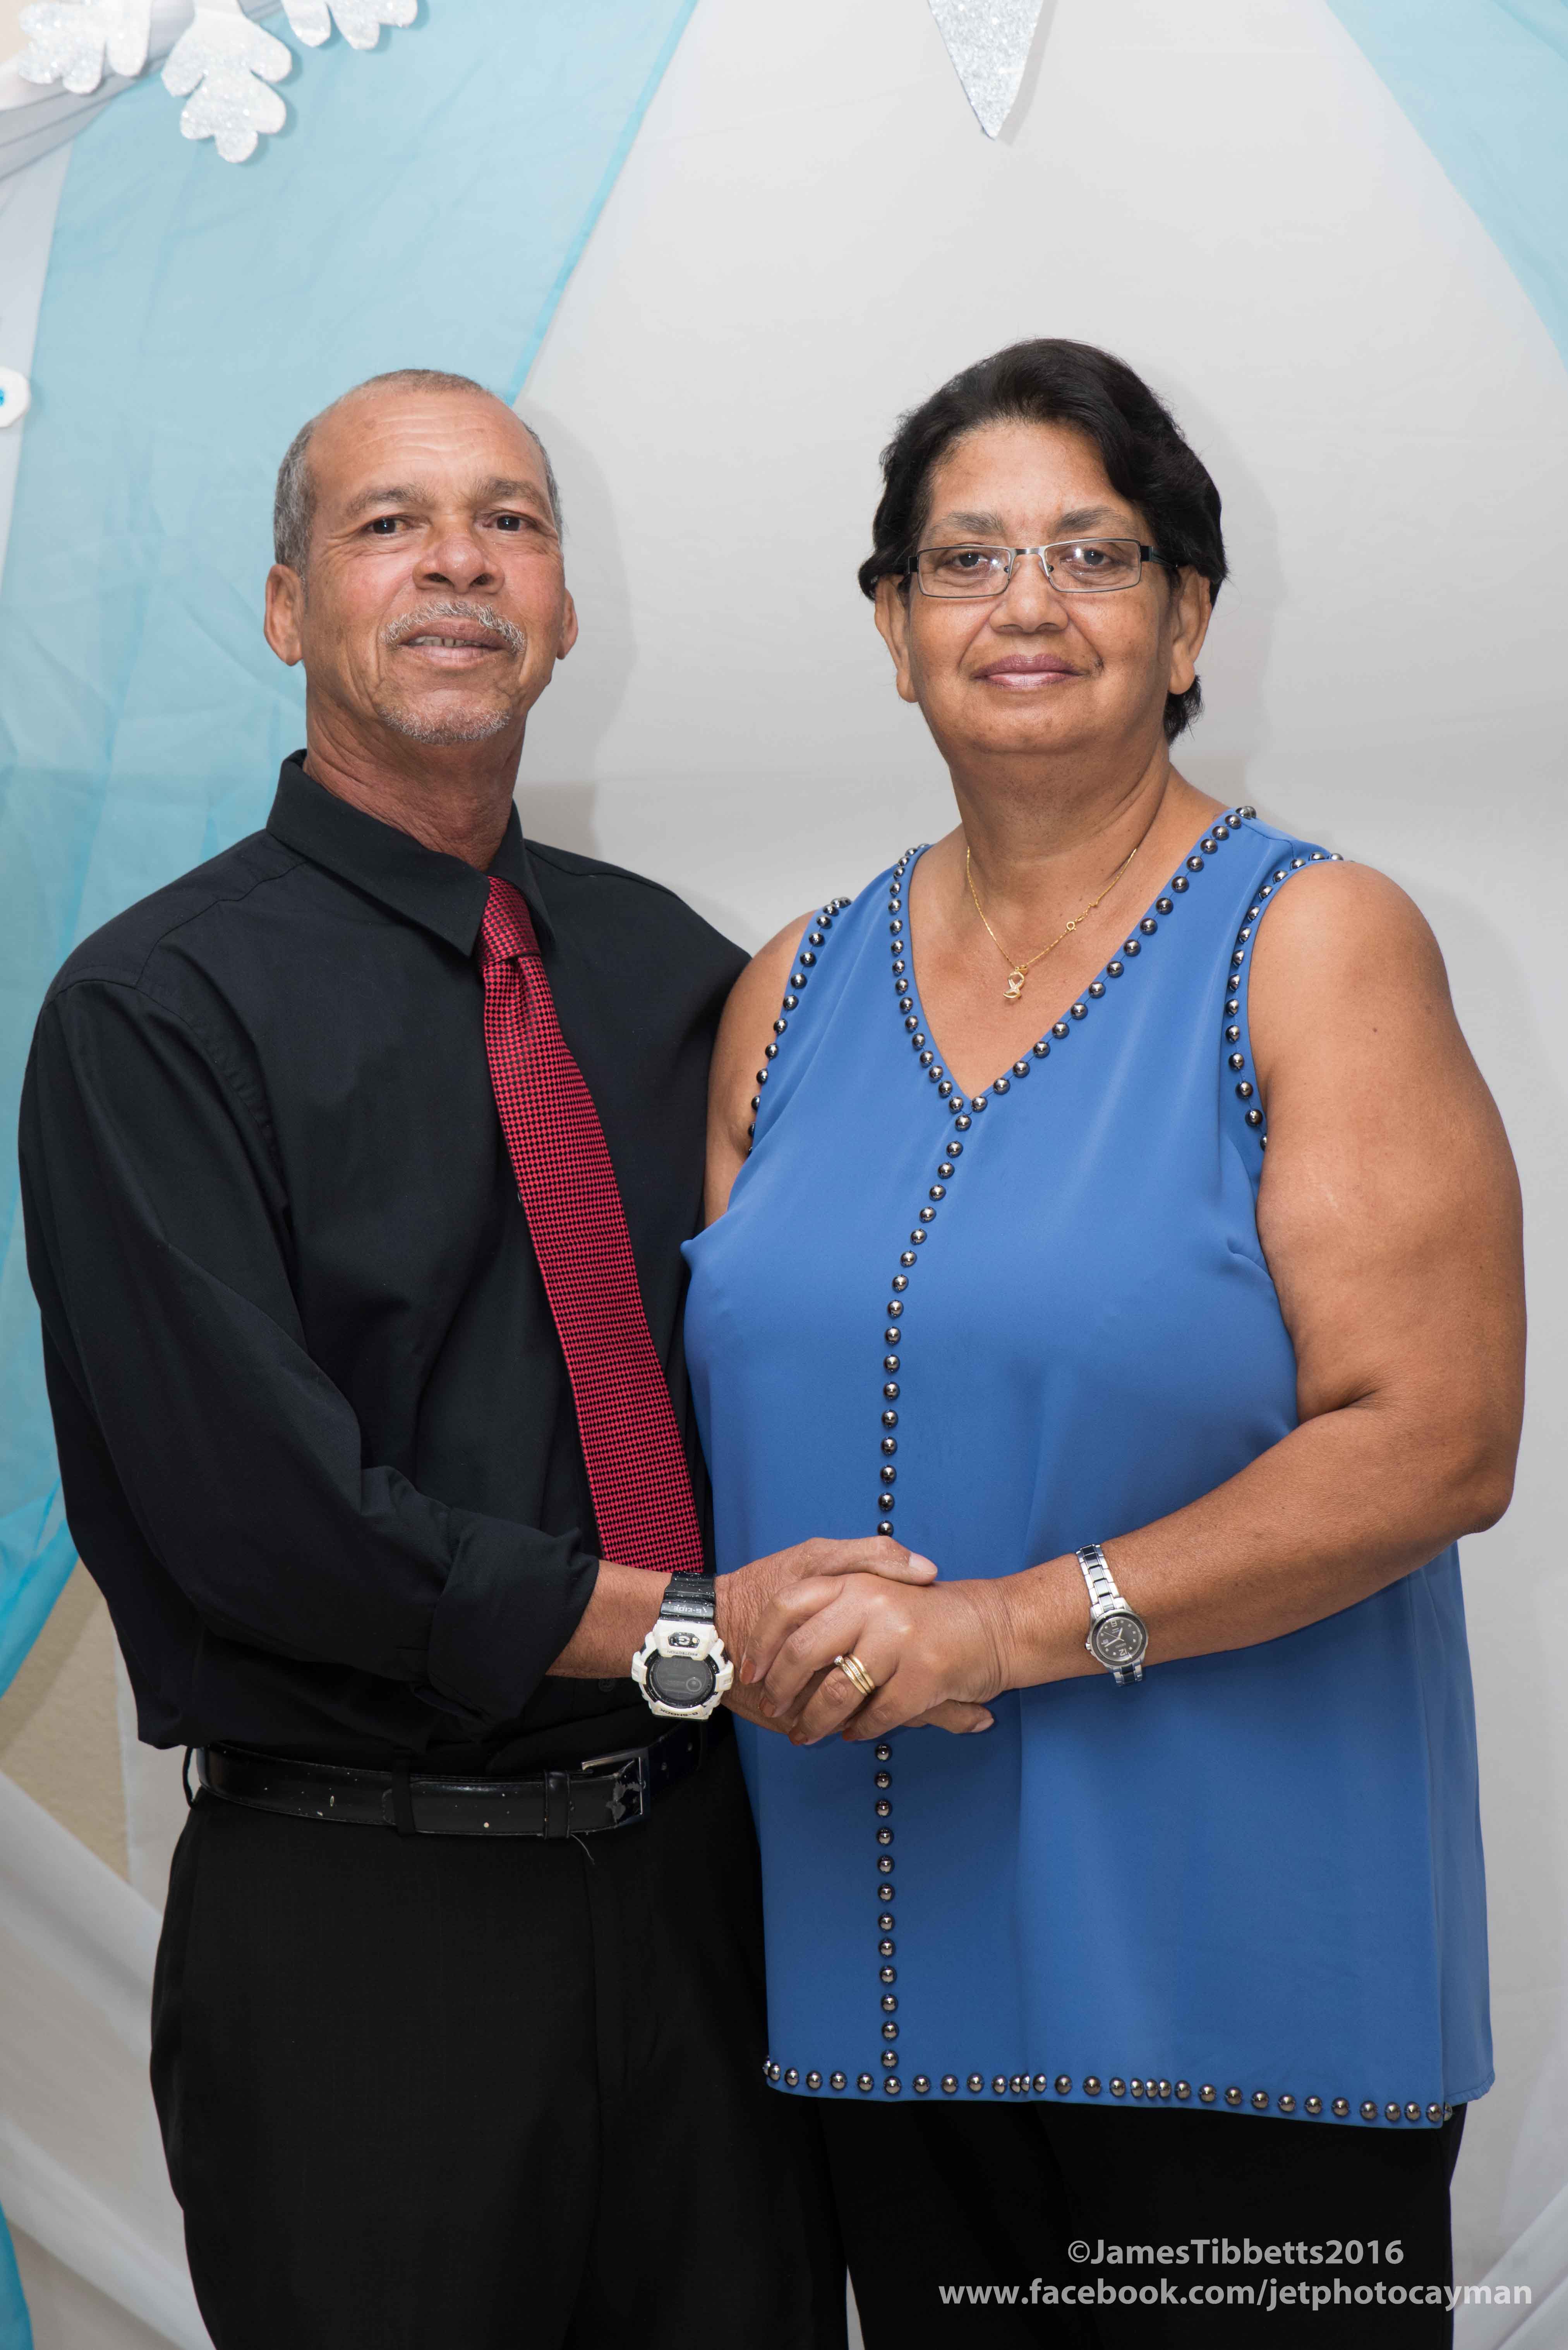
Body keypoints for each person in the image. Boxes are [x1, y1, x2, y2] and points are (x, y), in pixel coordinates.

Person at [17, 366, 940, 2350]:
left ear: (564, 609)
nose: (458, 560)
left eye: (509, 520)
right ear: (289, 608)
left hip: (709, 1903)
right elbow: (265, 1525)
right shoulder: (150, 1013)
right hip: (365, 1935)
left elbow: (819, 1347)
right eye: (389, 522)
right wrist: (698, 1630)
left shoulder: (674, 971)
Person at [686, 339, 1524, 2345]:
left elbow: (1434, 1437)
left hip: (1241, 1999)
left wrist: (1003, 1627)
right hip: (879, 1984)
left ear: (1187, 621)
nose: (1028, 602)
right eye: (965, 558)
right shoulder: (788, 990)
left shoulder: (1313, 942)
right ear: (892, 628)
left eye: (1093, 551)